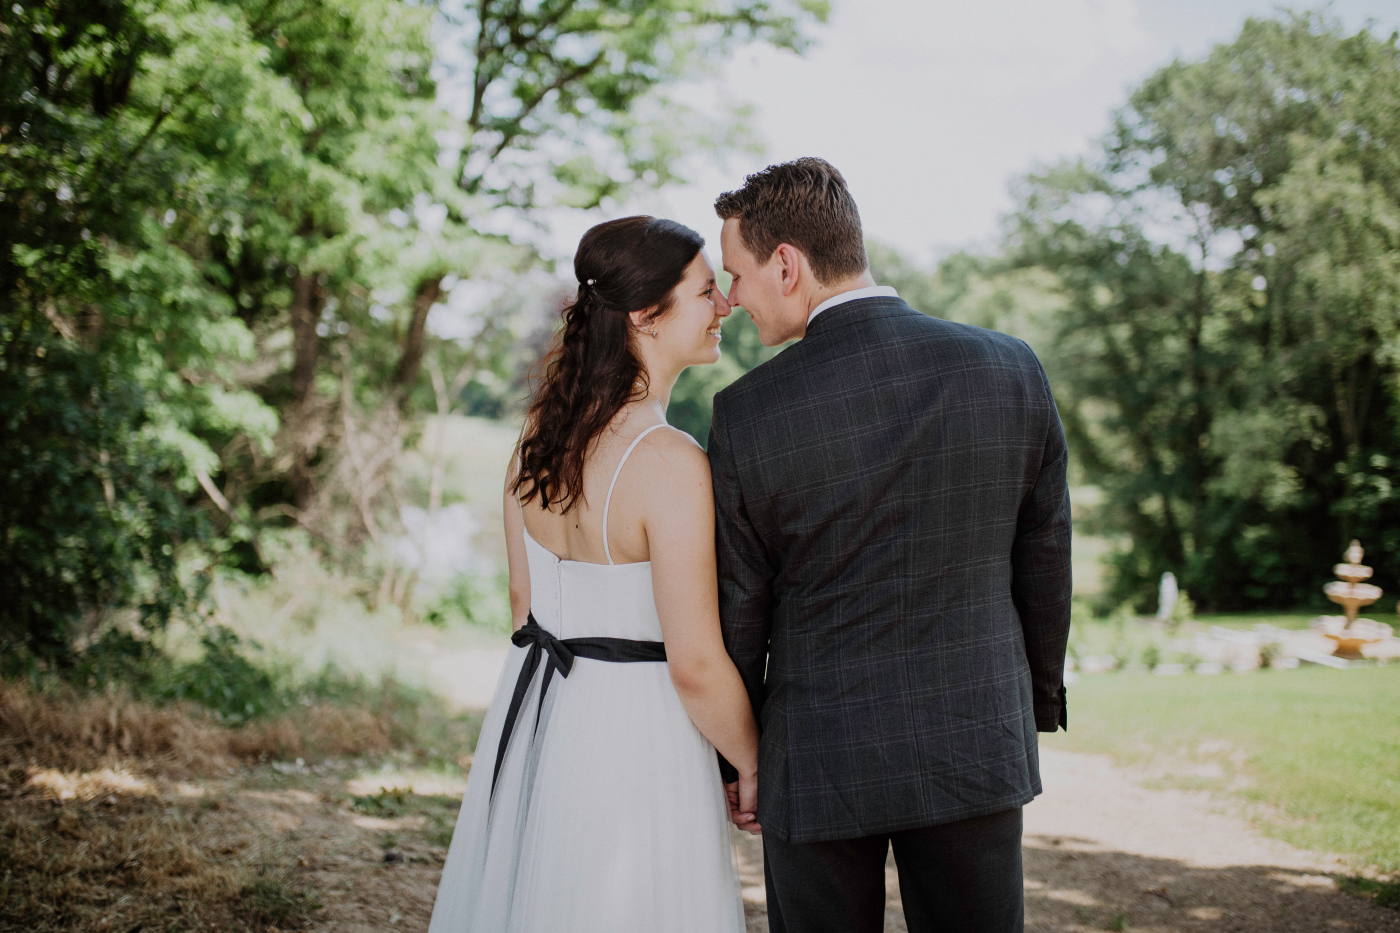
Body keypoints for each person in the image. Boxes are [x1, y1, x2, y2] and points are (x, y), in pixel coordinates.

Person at [708, 158, 1072, 933]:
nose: (730, 298)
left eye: (734, 274)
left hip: (817, 754)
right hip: (975, 733)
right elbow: (1045, 555)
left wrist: (738, 760)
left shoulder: (747, 412)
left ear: (786, 263)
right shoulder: (1010, 368)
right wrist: (1034, 700)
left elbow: (743, 607)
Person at [427, 216, 756, 933]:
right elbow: (695, 663)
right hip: (637, 731)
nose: (725, 305)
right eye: (705, 291)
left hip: (545, 712)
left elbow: (524, 606)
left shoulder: (537, 441)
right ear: (646, 314)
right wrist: (752, 760)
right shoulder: (669, 463)